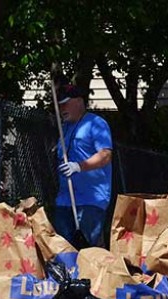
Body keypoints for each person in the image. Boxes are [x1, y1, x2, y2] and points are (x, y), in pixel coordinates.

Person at [53, 83, 114, 247]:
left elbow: (105, 155)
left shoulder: (96, 123)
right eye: (59, 104)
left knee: (89, 251)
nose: (61, 108)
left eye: (65, 103)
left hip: (90, 201)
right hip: (64, 201)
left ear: (79, 101)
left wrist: (79, 166)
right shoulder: (64, 129)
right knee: (64, 252)